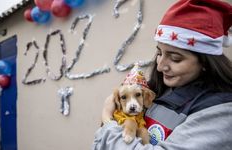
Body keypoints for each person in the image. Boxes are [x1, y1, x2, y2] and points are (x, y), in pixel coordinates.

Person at [92, 0, 232, 149]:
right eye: (159, 53)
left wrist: (107, 121)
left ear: (205, 62)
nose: (159, 66)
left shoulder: (220, 112)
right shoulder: (158, 89)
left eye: (175, 58)